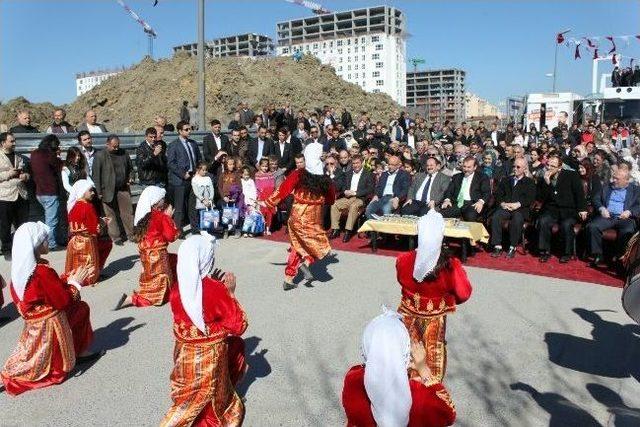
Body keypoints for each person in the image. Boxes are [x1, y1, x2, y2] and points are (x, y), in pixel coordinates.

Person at [1, 222, 103, 396]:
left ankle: (79, 351)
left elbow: (46, 291)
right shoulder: (41, 271)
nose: (48, 241)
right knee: (51, 370)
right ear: (37, 245)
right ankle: (77, 352)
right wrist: (75, 283)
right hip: (50, 323)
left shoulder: (23, 271)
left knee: (79, 311)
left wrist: (68, 278)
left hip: (35, 324)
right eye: (45, 239)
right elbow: (63, 301)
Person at [160, 233, 247, 426]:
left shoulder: (177, 290)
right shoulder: (215, 290)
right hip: (210, 357)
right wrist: (230, 293)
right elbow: (239, 325)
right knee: (237, 345)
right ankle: (223, 400)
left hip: (184, 355)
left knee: (187, 404)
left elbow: (197, 307)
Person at [342, 308, 457, 427]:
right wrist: (423, 369)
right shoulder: (420, 392)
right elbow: (449, 414)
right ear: (404, 349)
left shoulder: (353, 380)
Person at [396, 211, 472, 387]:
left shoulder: (404, 260)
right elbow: (464, 292)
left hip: (408, 316)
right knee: (432, 355)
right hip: (435, 319)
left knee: (407, 352)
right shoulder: (450, 264)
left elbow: (401, 280)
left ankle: (405, 391)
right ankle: (429, 394)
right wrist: (446, 298)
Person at [262, 143, 336, 290]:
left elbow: (283, 189)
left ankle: (289, 278)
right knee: (316, 246)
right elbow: (331, 199)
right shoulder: (324, 180)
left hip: (297, 215)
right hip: (313, 218)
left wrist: (268, 202)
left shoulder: (298, 174)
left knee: (297, 246)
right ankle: (306, 263)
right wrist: (330, 177)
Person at [116, 186, 179, 309]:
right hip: (157, 254)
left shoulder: (145, 217)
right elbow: (171, 236)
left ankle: (174, 290)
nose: (164, 201)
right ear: (156, 202)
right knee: (158, 288)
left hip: (146, 254)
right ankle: (132, 299)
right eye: (162, 199)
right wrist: (169, 218)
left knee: (169, 265)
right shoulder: (160, 216)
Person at [537, 155, 588, 263]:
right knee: (543, 221)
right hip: (552, 209)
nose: (549, 168)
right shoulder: (544, 177)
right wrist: (547, 183)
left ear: (560, 168)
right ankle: (545, 251)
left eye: (553, 166)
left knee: (566, 225)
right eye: (548, 165)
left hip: (568, 209)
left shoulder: (571, 175)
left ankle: (567, 253)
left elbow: (579, 193)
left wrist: (583, 209)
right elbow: (541, 198)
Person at [588, 168, 640, 267]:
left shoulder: (635, 190)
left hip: (625, 218)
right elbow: (596, 198)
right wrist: (602, 208)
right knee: (593, 226)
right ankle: (598, 255)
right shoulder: (607, 186)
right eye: (613, 178)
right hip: (608, 216)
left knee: (627, 231)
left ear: (626, 180)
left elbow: (639, 205)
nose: (613, 180)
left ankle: (620, 257)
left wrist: (629, 212)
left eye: (617, 179)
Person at [65, 180, 112, 286]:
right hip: (87, 240)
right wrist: (102, 223)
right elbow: (94, 229)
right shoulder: (88, 206)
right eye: (90, 190)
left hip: (74, 241)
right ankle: (93, 274)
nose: (93, 193)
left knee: (78, 259)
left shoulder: (73, 207)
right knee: (107, 244)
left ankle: (77, 276)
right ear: (82, 192)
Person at [92, 134, 135, 245]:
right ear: (107, 144)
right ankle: (116, 237)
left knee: (127, 212)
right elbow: (96, 175)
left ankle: (131, 234)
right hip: (107, 190)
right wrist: (99, 191)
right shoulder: (100, 156)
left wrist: (131, 177)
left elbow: (131, 169)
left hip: (123, 188)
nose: (116, 149)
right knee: (110, 214)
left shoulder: (124, 153)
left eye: (117, 146)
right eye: (113, 146)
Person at [167, 121, 202, 236]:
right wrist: (182, 174)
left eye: (189, 129)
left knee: (192, 205)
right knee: (180, 206)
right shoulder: (173, 145)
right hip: (180, 180)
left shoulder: (193, 143)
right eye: (186, 129)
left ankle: (195, 229)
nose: (189, 131)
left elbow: (198, 159)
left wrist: (198, 171)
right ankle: (179, 230)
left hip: (192, 178)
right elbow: (171, 163)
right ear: (180, 131)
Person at [330, 154, 374, 242]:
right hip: (347, 197)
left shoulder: (368, 174)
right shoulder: (348, 174)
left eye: (357, 163)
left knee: (354, 206)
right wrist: (344, 191)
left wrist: (356, 193)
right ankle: (335, 229)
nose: (355, 165)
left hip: (360, 198)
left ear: (362, 163)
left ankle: (348, 231)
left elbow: (370, 189)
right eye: (353, 163)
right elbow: (342, 187)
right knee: (334, 204)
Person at [30, 134, 63, 250]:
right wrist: (57, 155)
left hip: (39, 192)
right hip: (50, 192)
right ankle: (51, 244)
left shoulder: (34, 154)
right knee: (51, 220)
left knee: (47, 219)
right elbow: (59, 166)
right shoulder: (49, 155)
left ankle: (45, 242)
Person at [0, 132, 30, 257]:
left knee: (22, 223)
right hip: (5, 195)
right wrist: (9, 174)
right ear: (3, 143)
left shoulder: (19, 157)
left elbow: (27, 173)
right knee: (5, 224)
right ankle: (7, 249)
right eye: (11, 141)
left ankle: (21, 247)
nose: (14, 143)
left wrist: (26, 176)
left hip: (21, 194)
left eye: (14, 141)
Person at [440, 156, 491, 222]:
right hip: (457, 203)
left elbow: (486, 192)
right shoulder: (457, 176)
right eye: (464, 166)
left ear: (475, 167)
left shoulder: (482, 177)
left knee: (470, 217)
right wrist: (447, 200)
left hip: (472, 204)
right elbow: (449, 190)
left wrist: (481, 202)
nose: (466, 169)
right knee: (441, 214)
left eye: (469, 167)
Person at [365, 155, 411, 219]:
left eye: (392, 165)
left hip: (393, 198)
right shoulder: (384, 174)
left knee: (386, 209)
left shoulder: (404, 174)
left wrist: (397, 198)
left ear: (398, 165)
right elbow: (378, 187)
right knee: (369, 209)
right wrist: (376, 195)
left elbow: (405, 189)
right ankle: (376, 227)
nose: (390, 166)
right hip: (381, 197)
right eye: (389, 164)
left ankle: (384, 227)